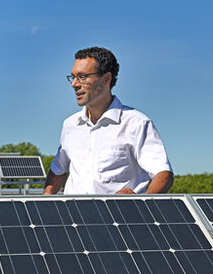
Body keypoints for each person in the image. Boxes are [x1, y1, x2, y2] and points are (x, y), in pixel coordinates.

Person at [44, 47, 173, 195]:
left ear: (106, 79)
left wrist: (141, 203)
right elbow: (58, 171)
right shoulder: (70, 125)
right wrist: (43, 203)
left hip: (118, 217)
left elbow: (163, 174)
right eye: (72, 77)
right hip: (73, 216)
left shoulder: (137, 123)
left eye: (82, 77)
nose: (74, 84)